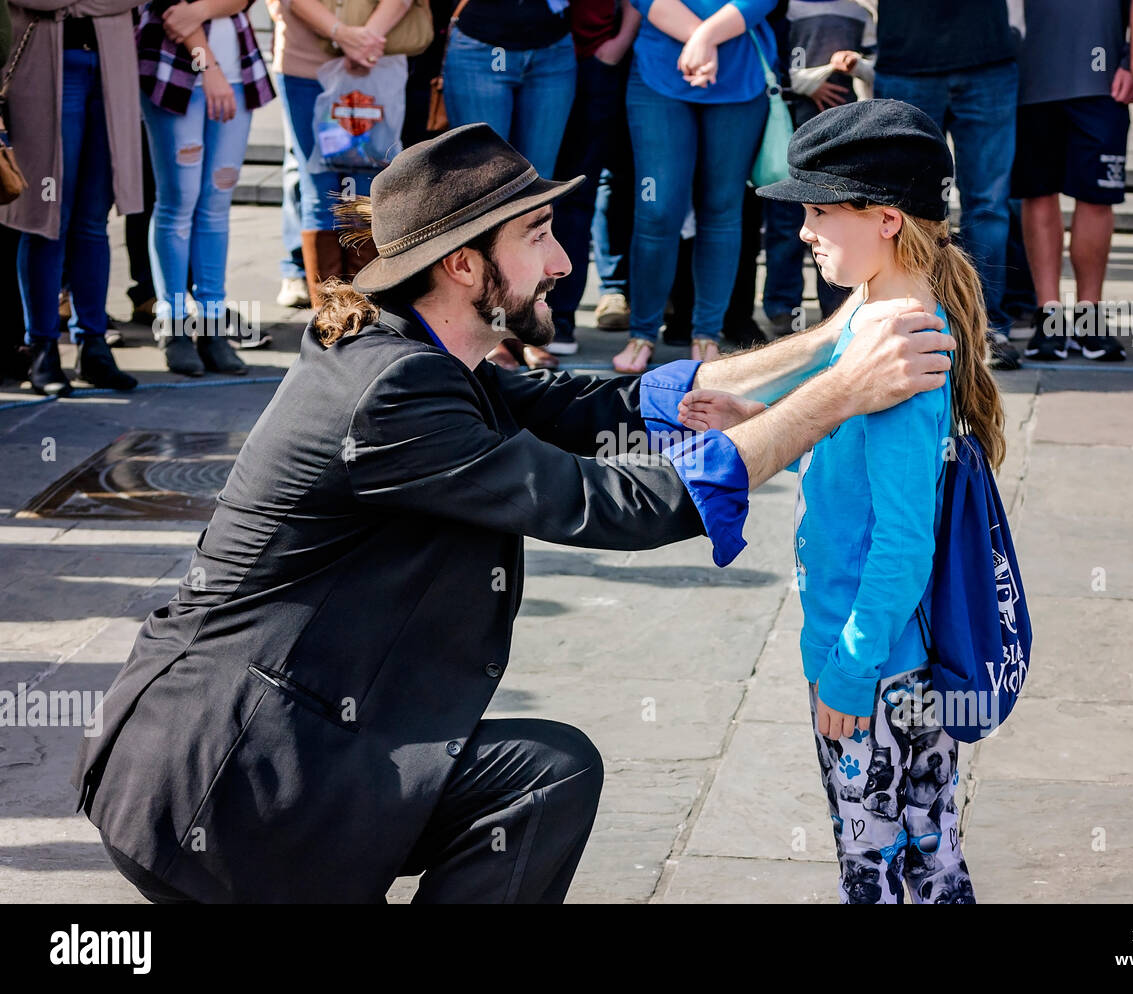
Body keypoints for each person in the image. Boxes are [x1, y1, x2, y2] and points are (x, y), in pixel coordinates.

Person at [73, 122, 956, 904]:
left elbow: (588, 405)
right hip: (228, 779)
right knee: (542, 778)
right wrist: (837, 394)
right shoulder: (391, 396)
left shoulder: (422, 354)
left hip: (290, 738)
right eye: (536, 236)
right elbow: (622, 505)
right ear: (464, 264)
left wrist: (825, 348)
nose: (565, 260)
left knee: (544, 777)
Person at [681, 100, 993, 904]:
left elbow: (902, 541)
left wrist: (848, 674)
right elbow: (857, 483)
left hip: (873, 668)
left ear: (885, 220)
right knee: (931, 861)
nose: (805, 230)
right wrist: (762, 423)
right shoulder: (885, 323)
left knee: (876, 871)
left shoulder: (893, 347)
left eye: (821, 210)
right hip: (895, 660)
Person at [612, 0, 777, 373]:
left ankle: (707, 334)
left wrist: (705, 37)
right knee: (657, 210)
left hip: (740, 71)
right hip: (659, 71)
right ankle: (642, 333)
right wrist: (700, 41)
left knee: (722, 208)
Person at [2, 0, 143, 396]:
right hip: (44, 67)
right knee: (47, 219)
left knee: (93, 222)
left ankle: (93, 345)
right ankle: (43, 347)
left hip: (111, 65)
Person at [872, 0, 1022, 371]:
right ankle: (909, 317)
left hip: (986, 61)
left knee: (988, 206)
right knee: (901, 204)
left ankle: (985, 327)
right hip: (907, 61)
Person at [136, 0, 276, 376]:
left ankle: (213, 324)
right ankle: (173, 322)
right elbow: (173, 10)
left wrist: (200, 11)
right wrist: (208, 67)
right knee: (178, 201)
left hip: (236, 73)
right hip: (177, 73)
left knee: (216, 202)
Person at [441, 0, 579, 370]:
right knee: (482, 199)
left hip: (553, 49)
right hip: (479, 42)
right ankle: (486, 334)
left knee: (536, 202)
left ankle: (523, 330)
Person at [1014, 0, 1133, 362]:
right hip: (1030, 79)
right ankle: (1048, 313)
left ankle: (1089, 315)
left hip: (1103, 83)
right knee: (1038, 195)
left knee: (1097, 198)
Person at [266, 0, 405, 309]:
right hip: (304, 65)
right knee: (319, 189)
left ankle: (365, 315)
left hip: (375, 59)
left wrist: (365, 39)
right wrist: (343, 35)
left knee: (367, 189)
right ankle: (329, 320)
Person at [762, 0, 873, 336]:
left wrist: (858, 66)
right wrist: (810, 83)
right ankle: (783, 310)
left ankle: (836, 310)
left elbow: (878, 69)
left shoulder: (860, 11)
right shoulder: (785, 8)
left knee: (837, 220)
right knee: (785, 225)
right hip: (793, 130)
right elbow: (773, 66)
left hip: (845, 138)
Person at [547, 0, 642, 357]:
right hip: (529, 54)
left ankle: (562, 317)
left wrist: (619, 42)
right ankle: (520, 317)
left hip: (598, 58)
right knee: (538, 193)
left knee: (582, 191)